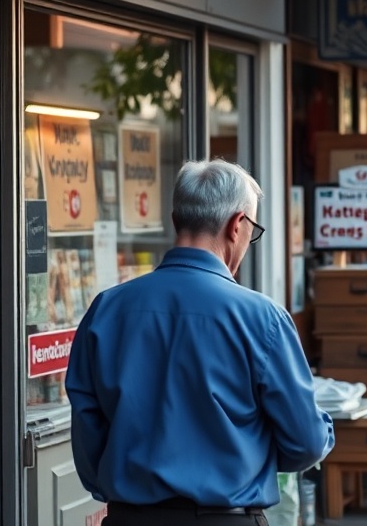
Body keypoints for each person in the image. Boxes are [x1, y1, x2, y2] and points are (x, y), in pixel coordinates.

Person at [66, 159, 334, 526]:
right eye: (252, 231)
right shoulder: (263, 318)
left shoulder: (106, 310)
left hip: (130, 518)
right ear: (237, 225)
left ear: (176, 221)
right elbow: (305, 443)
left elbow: (88, 435)